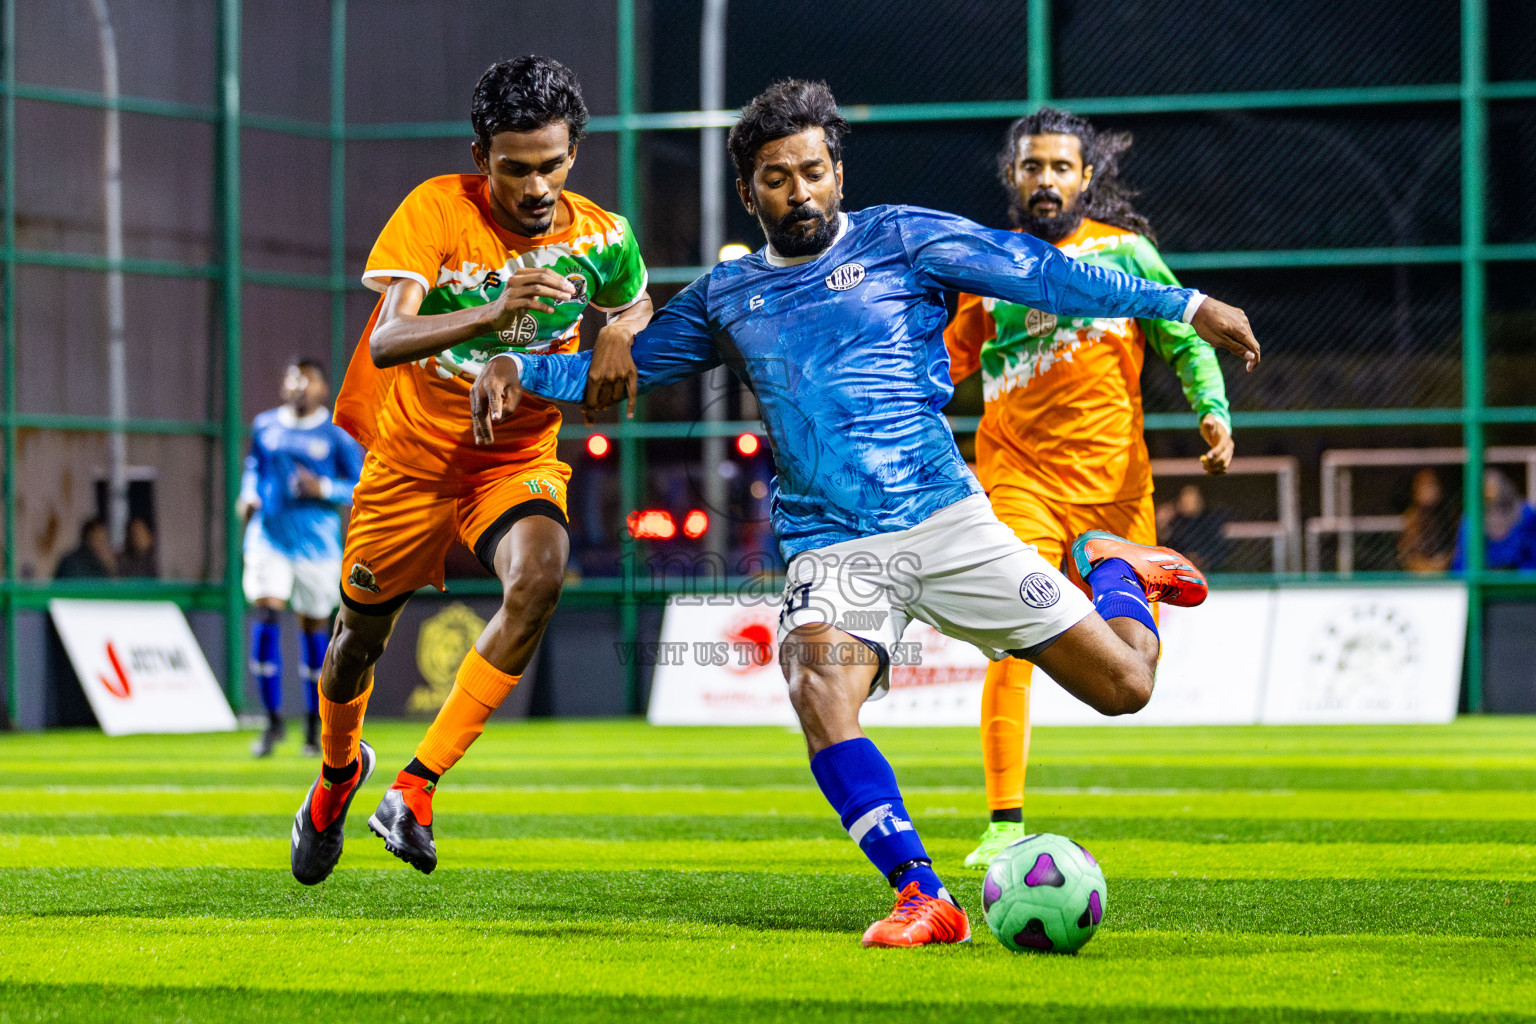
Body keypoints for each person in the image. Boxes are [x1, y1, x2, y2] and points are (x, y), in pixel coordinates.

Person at [490, 79, 1260, 947]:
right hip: (832, 544)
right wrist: (522, 374)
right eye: (777, 179)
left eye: (813, 172)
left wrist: (1186, 304)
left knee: (1128, 685)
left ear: (838, 173)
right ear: (749, 192)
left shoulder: (905, 236)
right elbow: (617, 373)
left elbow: (1040, 270)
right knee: (818, 688)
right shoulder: (728, 294)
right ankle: (922, 895)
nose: (800, 192)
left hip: (946, 518)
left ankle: (1118, 566)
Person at [289, 56, 652, 885]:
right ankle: (338, 776)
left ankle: (413, 790)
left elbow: (632, 297)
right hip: (410, 466)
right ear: (483, 154)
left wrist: (621, 331)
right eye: (516, 167)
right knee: (355, 645)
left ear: (573, 153)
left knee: (541, 574)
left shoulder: (603, 234)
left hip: (514, 458)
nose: (535, 186)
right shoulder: (435, 209)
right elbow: (386, 339)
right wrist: (494, 312)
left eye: (552, 165)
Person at [943, 108, 1235, 869]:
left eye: (1060, 168)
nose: (1046, 181)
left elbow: (1184, 336)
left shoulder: (1127, 256)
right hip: (1018, 481)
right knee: (1013, 633)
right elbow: (947, 365)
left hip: (1114, 491)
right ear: (1014, 176)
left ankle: (1127, 562)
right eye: (1032, 167)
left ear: (1087, 177)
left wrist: (1212, 409)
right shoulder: (987, 265)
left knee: (1134, 667)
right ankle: (1004, 821)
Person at [239, 361, 364, 758]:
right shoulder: (265, 426)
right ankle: (272, 721)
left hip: (317, 547)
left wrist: (323, 486)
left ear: (322, 387)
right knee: (266, 613)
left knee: (314, 632)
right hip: (269, 537)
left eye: (306, 378)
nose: (297, 385)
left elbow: (361, 485)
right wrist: (247, 495)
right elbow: (253, 467)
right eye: (291, 377)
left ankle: (313, 727)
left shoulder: (336, 433)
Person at [1453, 468, 1536, 571]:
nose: (1491, 493)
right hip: (1485, 578)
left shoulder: (1525, 514)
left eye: (1493, 487)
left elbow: (1532, 556)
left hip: (1519, 578)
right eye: (1486, 489)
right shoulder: (1471, 520)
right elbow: (1463, 562)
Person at [1160, 484, 1232, 572]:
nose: (1188, 502)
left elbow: (1219, 549)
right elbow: (1167, 548)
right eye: (1185, 499)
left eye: (1192, 499)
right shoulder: (1175, 523)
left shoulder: (1209, 523)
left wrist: (1203, 559)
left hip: (1209, 571)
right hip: (1179, 570)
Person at [1398, 468, 1457, 572]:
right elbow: (1406, 553)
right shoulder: (1411, 518)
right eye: (1424, 486)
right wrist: (1426, 567)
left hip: (1446, 571)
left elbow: (1458, 547)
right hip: (1420, 573)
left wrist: (1443, 563)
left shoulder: (1448, 515)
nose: (1429, 491)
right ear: (1416, 491)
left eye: (1432, 485)